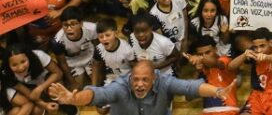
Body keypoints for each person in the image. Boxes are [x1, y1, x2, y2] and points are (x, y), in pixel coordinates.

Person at [48, 60, 236, 115]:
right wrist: (74, 99)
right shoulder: (120, 87)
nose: (139, 84)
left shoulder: (164, 81)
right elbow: (97, 95)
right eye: (135, 79)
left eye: (145, 80)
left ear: (154, 78)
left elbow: (190, 87)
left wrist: (217, 91)